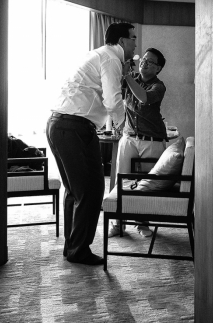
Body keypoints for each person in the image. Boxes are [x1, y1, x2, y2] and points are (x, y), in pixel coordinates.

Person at [46, 22, 137, 265]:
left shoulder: (97, 54)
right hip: (73, 127)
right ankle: (78, 250)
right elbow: (112, 99)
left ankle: (73, 247)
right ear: (121, 41)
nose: (135, 43)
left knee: (76, 191)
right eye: (133, 38)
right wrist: (122, 127)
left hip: (61, 125)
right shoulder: (110, 59)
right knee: (92, 189)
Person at [108, 48, 168, 238]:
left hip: (153, 140)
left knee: (146, 184)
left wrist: (127, 76)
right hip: (129, 137)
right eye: (144, 59)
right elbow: (112, 88)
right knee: (122, 180)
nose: (145, 62)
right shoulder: (131, 77)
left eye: (151, 62)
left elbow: (143, 97)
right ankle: (118, 223)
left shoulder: (159, 86)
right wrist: (122, 71)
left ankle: (142, 223)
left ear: (158, 69)